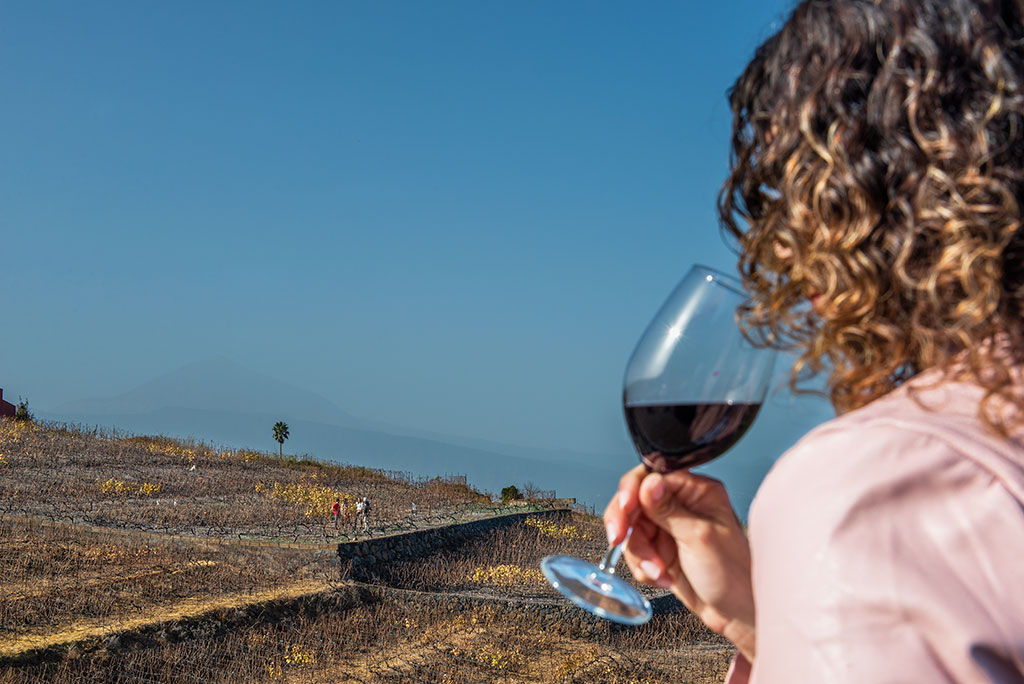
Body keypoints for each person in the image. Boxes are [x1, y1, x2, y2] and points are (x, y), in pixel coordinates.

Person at [604, 1, 1024, 681]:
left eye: (800, 187)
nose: (787, 248)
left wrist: (825, 578)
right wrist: (760, 622)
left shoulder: (874, 490)